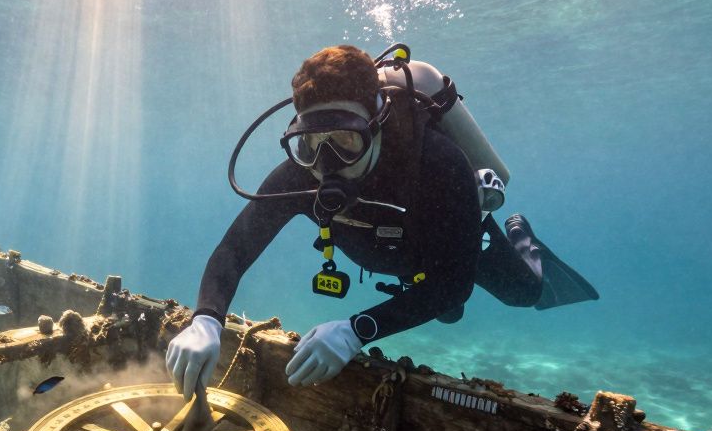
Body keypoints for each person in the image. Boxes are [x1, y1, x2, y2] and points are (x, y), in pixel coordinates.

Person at [166, 44, 596, 396]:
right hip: (398, 256)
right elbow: (234, 249)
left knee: (522, 293)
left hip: (447, 243)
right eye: (311, 143)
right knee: (442, 309)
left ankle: (523, 239)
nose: (327, 162)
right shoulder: (301, 175)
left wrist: (357, 330)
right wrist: (207, 318)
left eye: (346, 140)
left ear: (376, 126)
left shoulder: (438, 164)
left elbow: (453, 283)